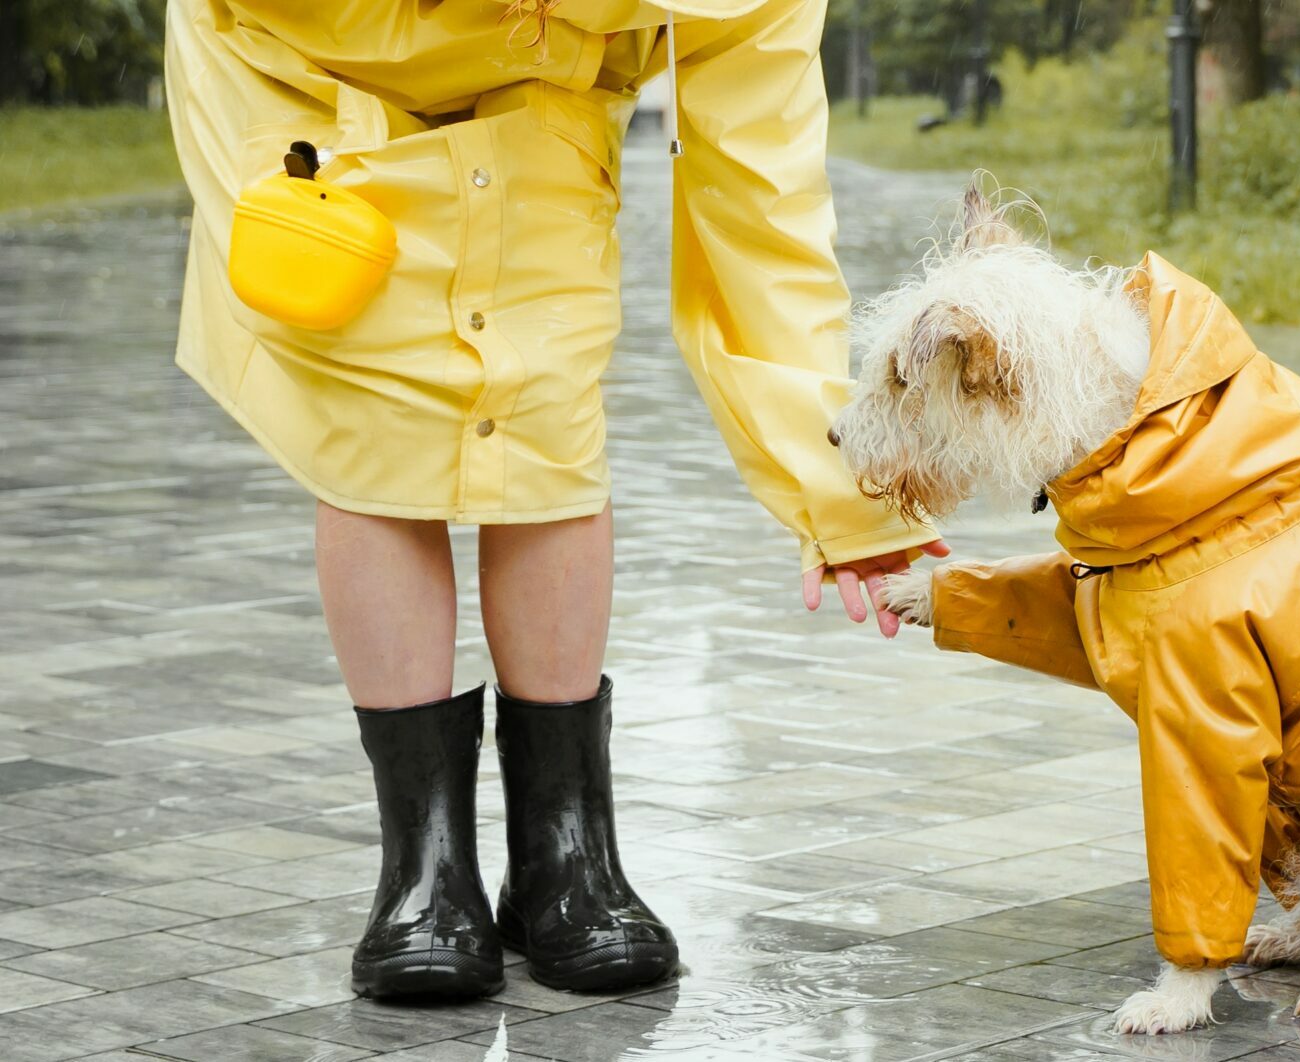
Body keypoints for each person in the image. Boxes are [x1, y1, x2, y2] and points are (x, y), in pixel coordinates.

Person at [163, 0, 944, 1000]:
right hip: (312, 76)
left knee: (547, 401)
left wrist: (843, 486)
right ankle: (425, 870)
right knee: (376, 422)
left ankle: (563, 862)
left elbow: (765, 198)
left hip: (546, 92)